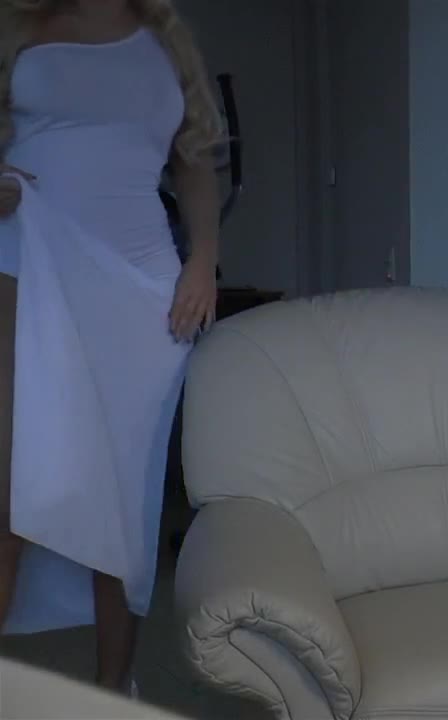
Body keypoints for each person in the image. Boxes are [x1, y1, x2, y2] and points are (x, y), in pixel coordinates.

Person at [0, 0, 222, 694]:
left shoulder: (166, 40)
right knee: (13, 486)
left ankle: (112, 688)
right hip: (30, 258)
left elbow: (194, 162)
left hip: (141, 284)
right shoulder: (18, 25)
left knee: (126, 496)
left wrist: (202, 261)